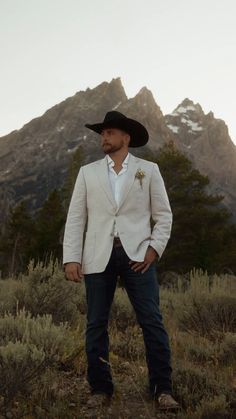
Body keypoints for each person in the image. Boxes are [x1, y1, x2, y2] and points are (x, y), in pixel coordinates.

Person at [63, 110, 180, 411]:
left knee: (152, 321)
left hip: (138, 255)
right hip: (97, 256)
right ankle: (101, 389)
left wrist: (154, 248)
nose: (104, 137)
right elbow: (76, 217)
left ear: (125, 138)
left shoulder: (148, 170)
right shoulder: (87, 173)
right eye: (102, 133)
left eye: (110, 133)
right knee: (96, 324)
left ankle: (162, 390)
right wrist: (71, 257)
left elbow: (164, 215)